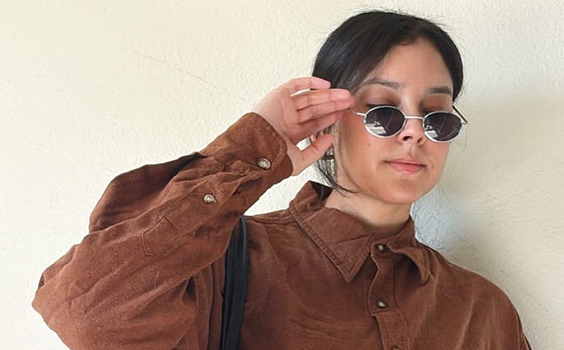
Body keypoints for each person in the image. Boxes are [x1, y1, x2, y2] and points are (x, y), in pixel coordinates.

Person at [32, 10, 531, 350]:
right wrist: (256, 145)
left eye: (437, 117)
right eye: (382, 111)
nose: (413, 135)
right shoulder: (224, 262)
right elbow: (86, 310)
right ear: (329, 119)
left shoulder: (479, 310)